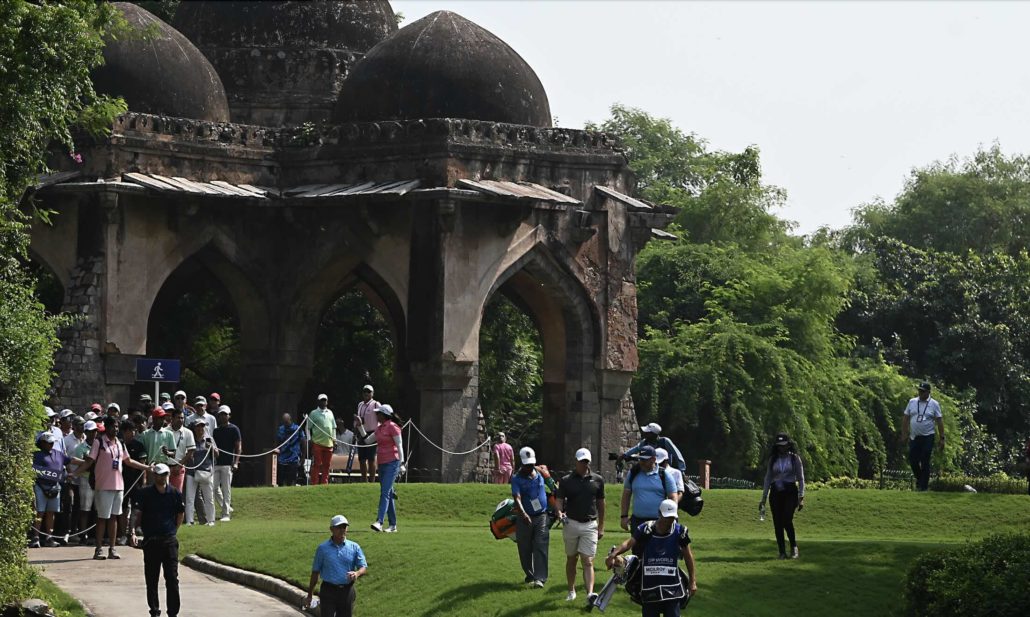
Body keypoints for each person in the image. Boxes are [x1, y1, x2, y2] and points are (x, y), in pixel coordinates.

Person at [75, 416, 151, 560]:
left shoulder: (120, 443)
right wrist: (73, 474)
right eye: (113, 427)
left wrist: (147, 467)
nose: (115, 429)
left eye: (117, 427)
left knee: (114, 517)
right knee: (102, 518)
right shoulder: (99, 442)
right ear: (107, 427)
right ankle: (98, 549)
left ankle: (112, 548)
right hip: (103, 486)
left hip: (118, 485)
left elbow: (128, 461)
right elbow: (89, 462)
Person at [606, 499, 697, 617]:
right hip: (650, 587)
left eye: (672, 518)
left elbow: (688, 556)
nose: (669, 521)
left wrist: (692, 581)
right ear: (659, 514)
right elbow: (628, 543)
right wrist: (613, 555)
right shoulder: (646, 529)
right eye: (666, 517)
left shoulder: (680, 531)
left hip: (673, 588)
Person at [131, 463, 185, 617]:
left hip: (169, 541)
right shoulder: (145, 493)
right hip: (151, 541)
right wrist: (133, 532)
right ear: (154, 475)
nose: (162, 477)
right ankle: (154, 611)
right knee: (152, 579)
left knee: (172, 579)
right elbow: (137, 513)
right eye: (159, 474)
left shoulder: (174, 493)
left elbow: (180, 513)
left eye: (165, 474)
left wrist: (174, 530)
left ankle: (173, 612)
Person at [555, 447, 605, 603]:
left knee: (587, 560)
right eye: (581, 461)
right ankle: (571, 590)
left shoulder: (597, 480)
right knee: (572, 558)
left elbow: (601, 504)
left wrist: (601, 527)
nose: (584, 464)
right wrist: (559, 512)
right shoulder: (566, 480)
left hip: (590, 525)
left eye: (586, 461)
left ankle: (590, 594)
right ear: (575, 462)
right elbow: (559, 501)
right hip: (571, 523)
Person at [306, 514, 368, 617]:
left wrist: (357, 573)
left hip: (347, 591)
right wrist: (310, 594)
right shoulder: (322, 549)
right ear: (331, 529)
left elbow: (363, 567)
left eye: (344, 527)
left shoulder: (354, 547)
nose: (342, 530)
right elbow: (315, 572)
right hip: (328, 591)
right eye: (339, 527)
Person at [758, 433, 806, 559]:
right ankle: (782, 551)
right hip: (776, 491)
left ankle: (794, 546)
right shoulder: (773, 459)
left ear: (789, 445)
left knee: (787, 518)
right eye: (779, 446)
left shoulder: (794, 458)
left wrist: (801, 497)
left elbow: (801, 479)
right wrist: (763, 498)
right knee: (777, 522)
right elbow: (768, 478)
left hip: (790, 491)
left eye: (784, 446)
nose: (782, 448)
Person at [511, 446, 549, 587]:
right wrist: (523, 513)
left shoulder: (538, 471)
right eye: (527, 465)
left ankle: (540, 578)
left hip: (541, 516)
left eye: (532, 464)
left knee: (541, 545)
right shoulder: (516, 479)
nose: (530, 467)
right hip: (524, 518)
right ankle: (530, 575)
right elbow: (517, 497)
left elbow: (550, 482)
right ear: (522, 463)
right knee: (525, 548)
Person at [30, 432, 76, 548]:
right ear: (42, 443)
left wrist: (88, 462)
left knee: (51, 512)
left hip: (55, 487)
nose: (51, 444)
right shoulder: (37, 455)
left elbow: (71, 460)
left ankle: (49, 537)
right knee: (39, 512)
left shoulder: (58, 454)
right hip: (40, 486)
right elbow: (36, 471)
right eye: (48, 442)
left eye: (52, 442)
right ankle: (36, 537)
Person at [620, 446, 680, 533]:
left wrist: (670, 517)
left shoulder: (664, 475)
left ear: (653, 459)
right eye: (640, 459)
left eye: (645, 460)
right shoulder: (633, 473)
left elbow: (673, 497)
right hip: (638, 521)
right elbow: (626, 495)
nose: (641, 462)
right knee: (638, 546)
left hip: (659, 521)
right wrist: (624, 516)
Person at [900, 381, 945, 491]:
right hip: (914, 436)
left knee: (925, 459)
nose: (920, 393)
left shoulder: (934, 404)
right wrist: (904, 433)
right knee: (913, 460)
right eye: (919, 390)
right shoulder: (912, 402)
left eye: (923, 391)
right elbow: (906, 418)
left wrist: (942, 438)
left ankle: (923, 486)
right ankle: (920, 480)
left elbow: (939, 421)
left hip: (928, 436)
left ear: (928, 392)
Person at [370, 405, 404, 533]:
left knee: (385, 492)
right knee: (388, 493)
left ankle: (379, 521)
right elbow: (367, 441)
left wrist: (402, 463)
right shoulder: (379, 429)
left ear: (383, 415)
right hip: (382, 463)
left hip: (392, 463)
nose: (376, 415)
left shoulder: (393, 427)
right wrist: (359, 426)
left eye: (378, 413)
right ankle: (393, 525)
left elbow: (399, 446)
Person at [119, 420, 149, 545]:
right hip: (121, 481)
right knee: (123, 508)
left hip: (136, 481)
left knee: (136, 508)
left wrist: (144, 480)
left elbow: (143, 464)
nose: (134, 433)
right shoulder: (119, 445)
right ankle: (123, 534)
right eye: (131, 430)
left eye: (135, 430)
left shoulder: (139, 445)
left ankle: (132, 532)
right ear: (125, 432)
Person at [184, 418, 216, 526]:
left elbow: (217, 454)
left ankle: (211, 520)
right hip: (191, 471)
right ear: (194, 428)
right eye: (198, 426)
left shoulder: (209, 439)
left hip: (205, 471)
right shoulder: (190, 439)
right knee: (190, 497)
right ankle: (190, 520)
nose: (200, 429)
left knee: (209, 497)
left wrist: (211, 448)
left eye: (202, 426)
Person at [212, 405, 241, 521]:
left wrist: (236, 462)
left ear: (229, 416)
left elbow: (238, 447)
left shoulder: (234, 429)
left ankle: (225, 514)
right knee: (213, 488)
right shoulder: (216, 431)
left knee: (226, 489)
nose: (223, 416)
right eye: (221, 414)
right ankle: (227, 507)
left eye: (225, 414)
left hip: (228, 464)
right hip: (216, 463)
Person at [73, 420, 99, 545]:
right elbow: (84, 465)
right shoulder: (80, 448)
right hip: (85, 479)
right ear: (86, 432)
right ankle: (83, 534)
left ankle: (95, 533)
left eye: (95, 431)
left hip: (99, 478)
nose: (93, 434)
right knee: (85, 508)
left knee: (98, 508)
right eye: (91, 431)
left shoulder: (100, 445)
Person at [308, 394, 337, 485]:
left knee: (327, 465)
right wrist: (309, 439)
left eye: (325, 400)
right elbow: (308, 427)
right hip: (317, 442)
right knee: (316, 464)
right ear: (318, 401)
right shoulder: (313, 413)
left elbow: (333, 427)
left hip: (329, 443)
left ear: (327, 401)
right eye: (322, 400)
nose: (323, 402)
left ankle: (325, 483)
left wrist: (334, 439)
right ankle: (314, 483)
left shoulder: (330, 412)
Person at [141, 408, 177, 480]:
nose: (163, 420)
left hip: (164, 466)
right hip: (151, 467)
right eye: (160, 418)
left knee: (164, 489)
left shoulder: (169, 434)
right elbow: (142, 454)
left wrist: (167, 452)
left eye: (163, 418)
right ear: (154, 419)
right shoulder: (145, 434)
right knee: (151, 489)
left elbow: (173, 454)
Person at [166, 408, 195, 492]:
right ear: (172, 418)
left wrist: (179, 466)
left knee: (177, 494)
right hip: (165, 466)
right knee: (164, 494)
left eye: (182, 418)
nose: (180, 420)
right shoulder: (165, 431)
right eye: (178, 417)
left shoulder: (188, 432)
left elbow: (191, 451)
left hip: (178, 467)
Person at [354, 385, 379, 483]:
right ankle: (364, 480)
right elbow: (358, 419)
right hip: (361, 431)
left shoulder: (376, 404)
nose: (366, 393)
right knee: (362, 458)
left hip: (372, 432)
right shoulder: (360, 404)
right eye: (365, 391)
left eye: (369, 391)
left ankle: (372, 481)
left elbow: (381, 418)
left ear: (372, 393)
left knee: (371, 458)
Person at [274, 412, 305, 487]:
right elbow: (278, 442)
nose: (286, 424)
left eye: (287, 422)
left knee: (291, 482)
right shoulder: (281, 429)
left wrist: (303, 457)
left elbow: (303, 442)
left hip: (293, 458)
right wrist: (277, 450)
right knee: (281, 482)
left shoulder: (297, 428)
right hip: (282, 459)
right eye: (284, 422)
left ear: (290, 420)